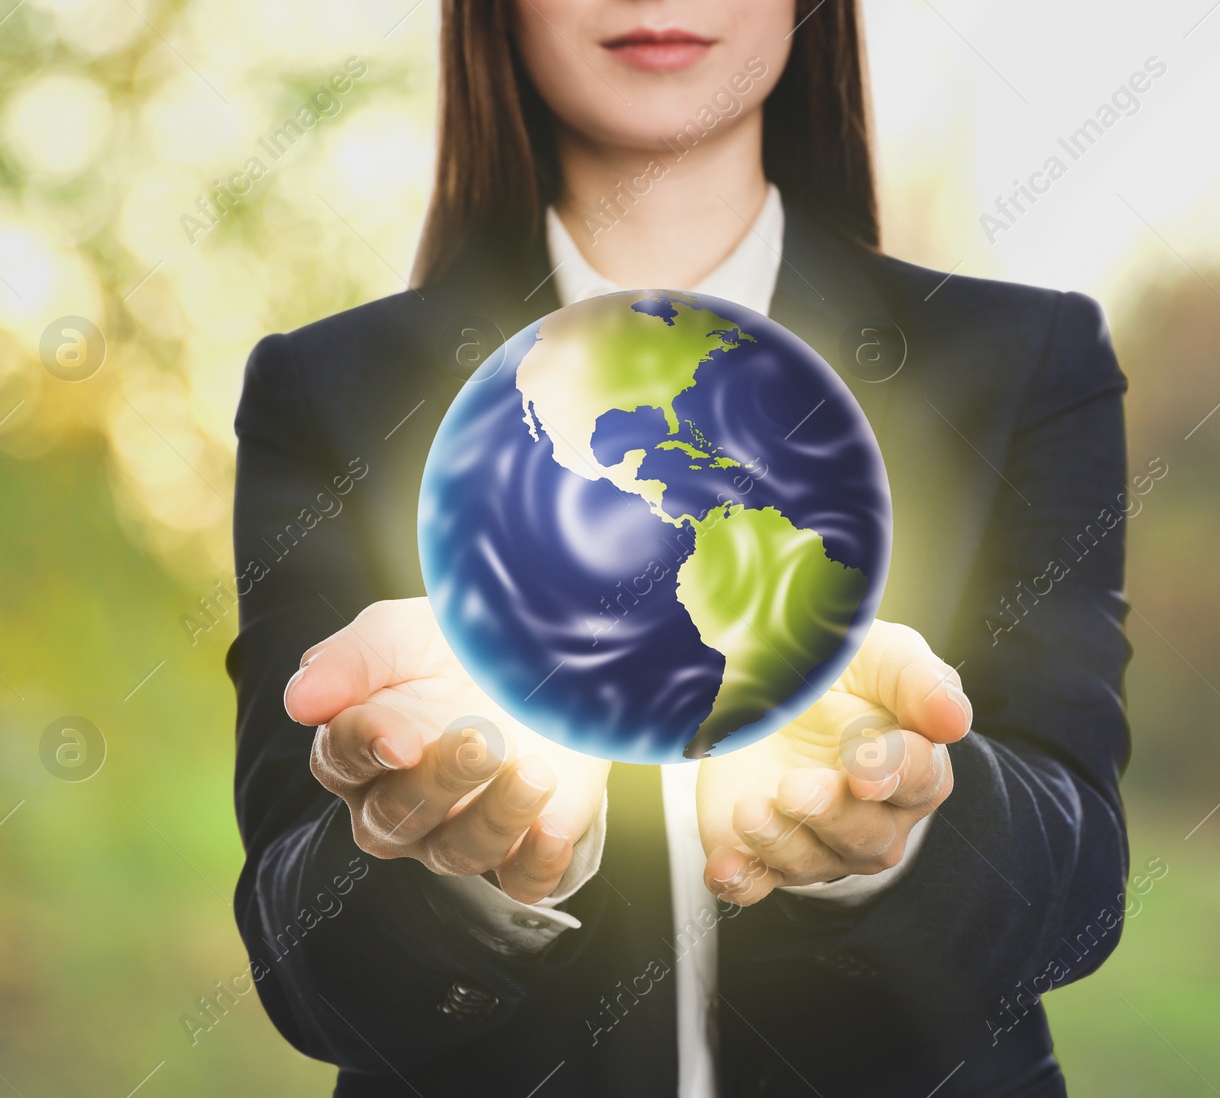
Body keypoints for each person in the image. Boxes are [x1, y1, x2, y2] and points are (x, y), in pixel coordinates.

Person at [229, 2, 1133, 1095]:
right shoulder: (326, 393)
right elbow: (301, 967)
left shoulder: (1024, 363)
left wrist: (904, 831)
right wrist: (453, 859)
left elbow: (1082, 887)